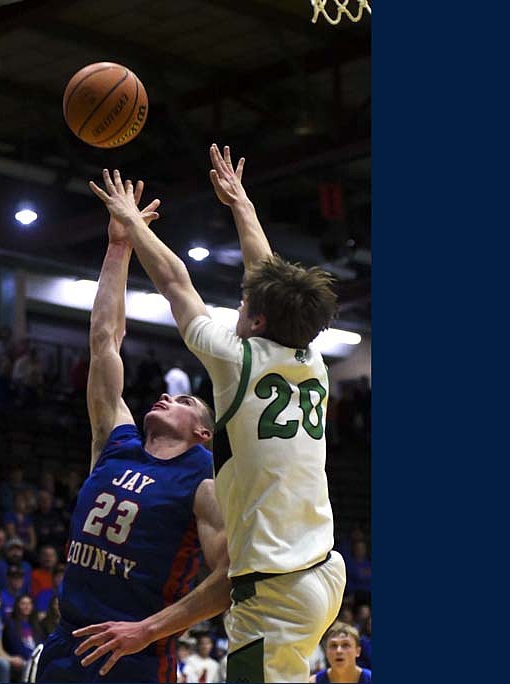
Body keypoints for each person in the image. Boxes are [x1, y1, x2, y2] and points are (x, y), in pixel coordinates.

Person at [83, 148, 347, 683]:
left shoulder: (235, 358)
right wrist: (241, 205)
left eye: (247, 305)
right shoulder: (311, 359)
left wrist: (132, 225)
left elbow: (177, 282)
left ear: (258, 318)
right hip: (323, 569)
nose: (239, 307)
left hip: (274, 588)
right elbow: (264, 274)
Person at [31, 176, 231, 683]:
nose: (166, 397)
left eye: (184, 400)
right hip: (65, 645)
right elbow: (105, 340)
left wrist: (147, 630)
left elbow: (230, 578)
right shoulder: (114, 442)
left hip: (134, 658)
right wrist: (118, 245)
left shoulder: (206, 482)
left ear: (203, 433)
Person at [4, 594, 47, 671]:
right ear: (17, 606)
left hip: (37, 658)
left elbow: (41, 643)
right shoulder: (11, 624)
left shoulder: (34, 623)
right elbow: (15, 647)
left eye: (29, 604)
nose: (27, 606)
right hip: (22, 659)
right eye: (23, 604)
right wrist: (33, 658)